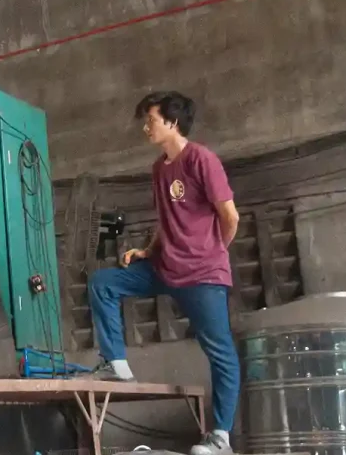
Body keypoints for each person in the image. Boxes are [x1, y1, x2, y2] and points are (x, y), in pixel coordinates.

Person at [82, 91, 240, 455]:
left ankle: (220, 438)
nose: (145, 127)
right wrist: (147, 250)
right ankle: (117, 364)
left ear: (172, 121)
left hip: (202, 275)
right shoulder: (159, 168)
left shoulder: (202, 159)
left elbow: (230, 216)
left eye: (150, 120)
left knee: (221, 353)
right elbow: (168, 220)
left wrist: (213, 253)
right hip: (166, 267)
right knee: (103, 282)